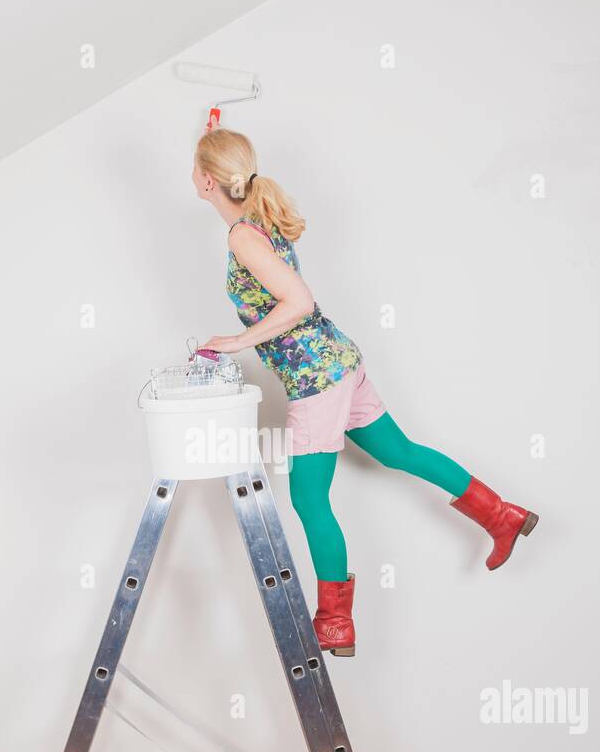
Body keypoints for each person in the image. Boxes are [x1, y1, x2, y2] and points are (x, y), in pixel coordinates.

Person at [193, 128, 537, 656]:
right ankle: (502, 515)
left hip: (316, 378)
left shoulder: (242, 234)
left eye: (195, 167)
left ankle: (334, 623)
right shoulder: (255, 218)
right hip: (339, 362)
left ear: (208, 179)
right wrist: (215, 136)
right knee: (400, 453)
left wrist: (240, 340)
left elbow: (299, 302)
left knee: (309, 497)